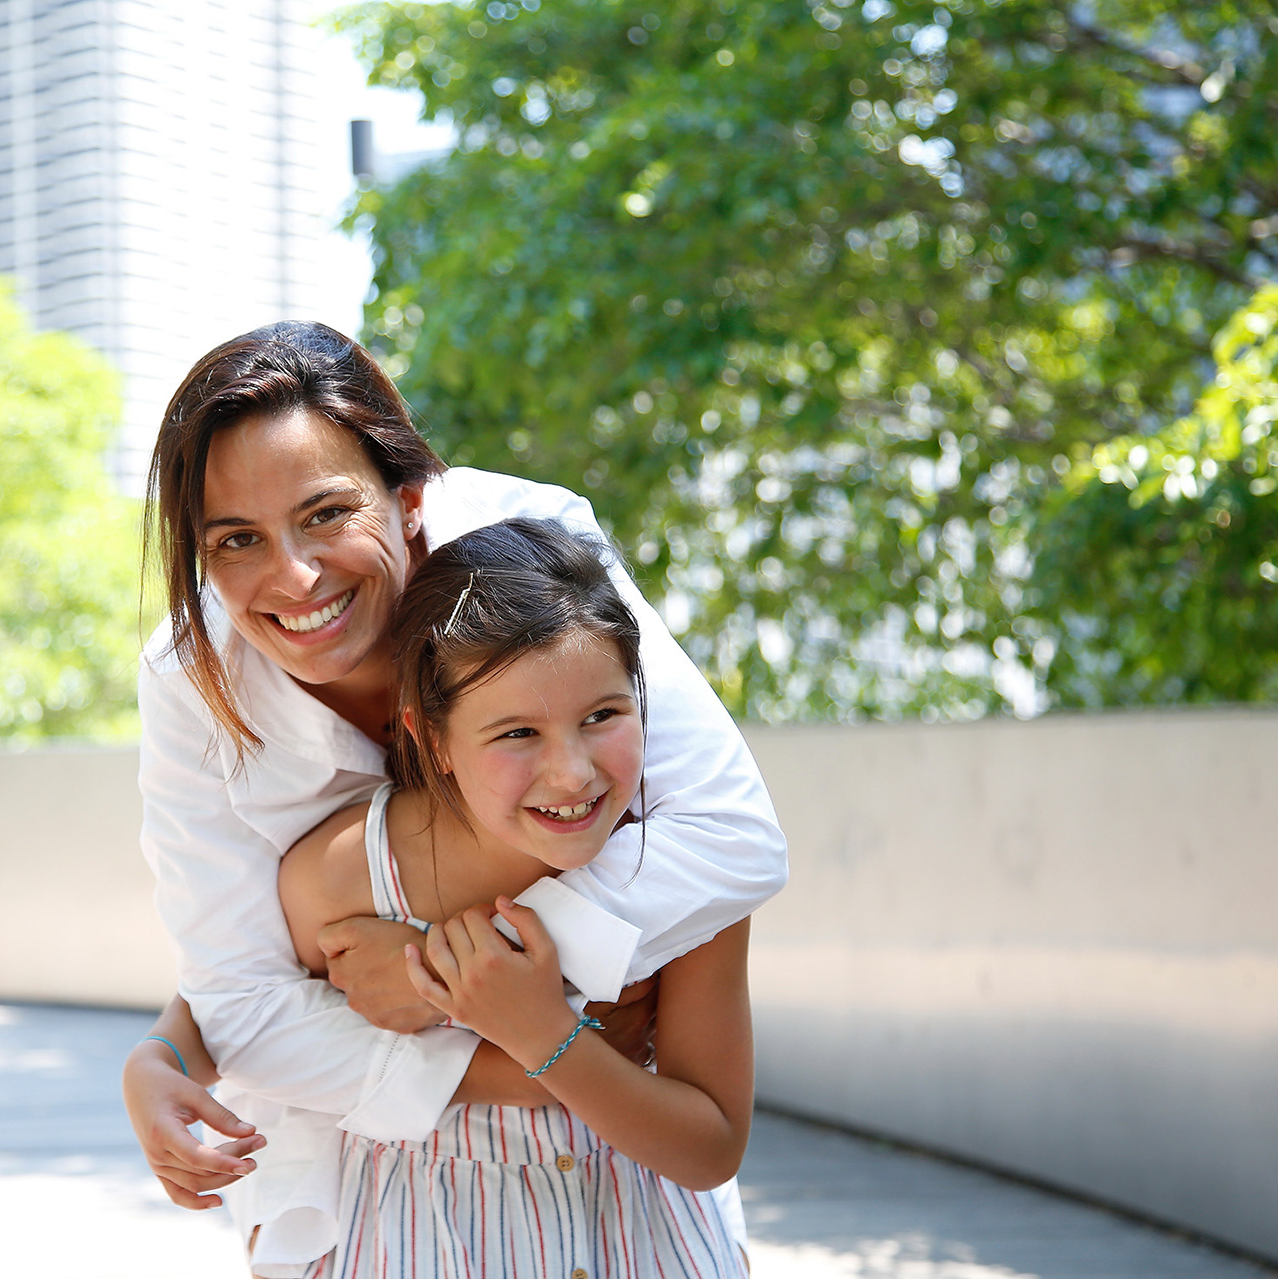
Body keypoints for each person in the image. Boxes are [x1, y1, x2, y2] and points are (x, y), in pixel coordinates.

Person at [122, 322, 784, 1274]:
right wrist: (520, 1041)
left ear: (410, 494)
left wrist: (442, 965)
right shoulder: (196, 684)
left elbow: (731, 842)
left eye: (325, 514)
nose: (295, 576)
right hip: (397, 1202)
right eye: (236, 540)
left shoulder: (541, 575)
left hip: (627, 1209)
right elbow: (242, 1000)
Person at [280, 518, 753, 1277]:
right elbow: (259, 1034)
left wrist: (543, 1034)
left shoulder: (681, 866)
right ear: (431, 737)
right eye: (517, 733)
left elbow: (712, 1144)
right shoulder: (344, 876)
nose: (571, 774)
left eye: (602, 715)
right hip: (415, 1242)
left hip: (638, 1239)